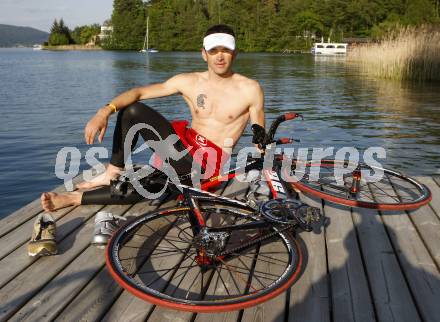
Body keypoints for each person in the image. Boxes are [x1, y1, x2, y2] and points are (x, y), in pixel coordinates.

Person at [40, 24, 265, 213]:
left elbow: (259, 134)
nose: (220, 55)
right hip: (183, 153)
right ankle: (95, 183)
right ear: (203, 53)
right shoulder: (188, 81)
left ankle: (88, 189)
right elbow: (138, 93)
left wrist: (264, 154)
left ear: (234, 53)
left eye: (225, 50)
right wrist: (104, 111)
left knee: (149, 178)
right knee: (133, 113)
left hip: (207, 166)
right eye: (213, 50)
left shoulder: (250, 89)